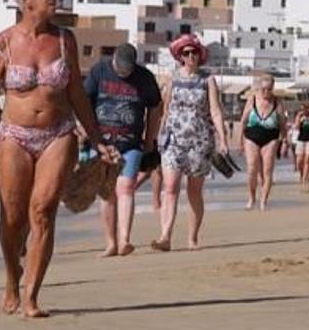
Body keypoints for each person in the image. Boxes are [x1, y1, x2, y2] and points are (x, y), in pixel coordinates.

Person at [0, 0, 116, 318]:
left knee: (42, 212)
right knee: (12, 217)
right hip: (14, 136)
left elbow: (77, 95)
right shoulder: (3, 42)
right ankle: (12, 278)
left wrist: (98, 140)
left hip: (58, 134)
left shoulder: (65, 40)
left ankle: (31, 296)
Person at [85, 43, 162, 257]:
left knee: (126, 187)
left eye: (127, 71)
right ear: (114, 61)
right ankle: (111, 242)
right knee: (108, 193)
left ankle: (125, 239)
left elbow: (155, 108)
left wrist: (150, 139)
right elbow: (84, 102)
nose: (123, 73)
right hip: (102, 143)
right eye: (120, 70)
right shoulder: (99, 72)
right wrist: (87, 134)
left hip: (131, 143)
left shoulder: (145, 77)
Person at [154, 34, 230, 249]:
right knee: (170, 187)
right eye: (186, 53)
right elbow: (166, 109)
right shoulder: (173, 78)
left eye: (194, 52)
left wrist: (222, 139)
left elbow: (215, 111)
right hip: (174, 139)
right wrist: (159, 134)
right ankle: (165, 236)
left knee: (194, 191)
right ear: (180, 56)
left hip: (200, 141)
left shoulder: (208, 80)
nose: (191, 56)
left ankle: (192, 238)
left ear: (200, 54)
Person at [237, 72, 285, 211]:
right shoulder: (252, 100)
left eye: (269, 89)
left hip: (271, 137)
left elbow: (282, 124)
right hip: (251, 136)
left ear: (273, 88)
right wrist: (240, 142)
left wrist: (285, 142)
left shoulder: (277, 102)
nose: (266, 92)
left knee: (267, 169)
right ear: (259, 88)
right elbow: (243, 121)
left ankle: (263, 200)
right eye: (263, 89)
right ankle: (252, 198)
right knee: (252, 167)